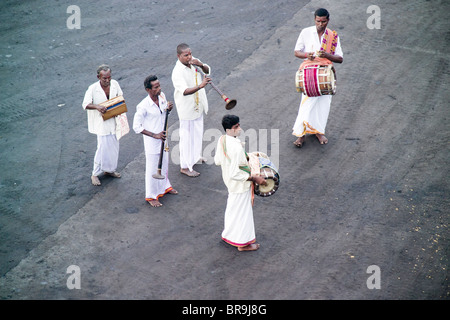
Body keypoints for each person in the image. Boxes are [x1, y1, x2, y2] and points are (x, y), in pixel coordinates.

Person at [214, 115, 267, 251]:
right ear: (229, 129)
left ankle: (229, 235)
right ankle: (243, 244)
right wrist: (255, 178)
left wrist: (246, 157)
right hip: (239, 184)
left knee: (233, 209)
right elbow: (235, 173)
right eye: (236, 127)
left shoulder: (223, 139)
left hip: (230, 182)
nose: (239, 129)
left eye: (238, 125)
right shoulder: (236, 148)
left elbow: (218, 161)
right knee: (244, 213)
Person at [292, 8, 343, 147]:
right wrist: (306, 55)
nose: (321, 24)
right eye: (318, 21)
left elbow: (340, 58)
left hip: (325, 73)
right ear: (314, 20)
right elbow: (297, 52)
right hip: (309, 72)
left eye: (324, 21)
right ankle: (300, 135)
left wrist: (327, 55)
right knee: (306, 105)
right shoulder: (306, 32)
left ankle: (318, 131)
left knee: (323, 105)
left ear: (328, 20)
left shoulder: (333, 36)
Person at [133, 75, 178, 207]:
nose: (159, 88)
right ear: (148, 89)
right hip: (153, 142)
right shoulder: (143, 106)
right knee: (152, 169)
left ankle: (165, 187)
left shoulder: (162, 96)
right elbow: (136, 127)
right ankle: (151, 196)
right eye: (156, 87)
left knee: (164, 164)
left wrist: (168, 109)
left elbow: (163, 113)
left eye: (159, 85)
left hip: (163, 139)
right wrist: (154, 135)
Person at [171, 43, 211, 177]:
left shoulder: (193, 62)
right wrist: (201, 86)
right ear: (179, 56)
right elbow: (185, 91)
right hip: (187, 110)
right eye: (185, 55)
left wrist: (200, 64)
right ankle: (185, 166)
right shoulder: (177, 72)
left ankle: (194, 157)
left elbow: (207, 70)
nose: (189, 57)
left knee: (198, 133)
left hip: (198, 106)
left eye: (190, 54)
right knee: (186, 139)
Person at [82, 64, 124, 186]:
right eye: (104, 78)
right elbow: (85, 104)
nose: (107, 80)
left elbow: (120, 96)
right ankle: (95, 174)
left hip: (113, 119)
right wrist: (97, 107)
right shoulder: (92, 88)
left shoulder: (115, 84)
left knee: (114, 147)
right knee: (102, 148)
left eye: (109, 77)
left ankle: (109, 170)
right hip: (101, 123)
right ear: (98, 77)